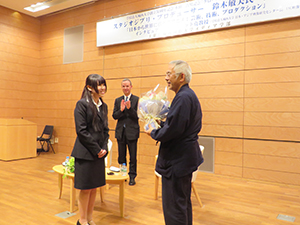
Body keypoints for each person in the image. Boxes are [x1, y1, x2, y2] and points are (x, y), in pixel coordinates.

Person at [145, 60, 203, 225]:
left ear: (181, 77)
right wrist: (162, 123)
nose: (166, 78)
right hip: (183, 160)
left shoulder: (183, 97)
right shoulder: (186, 95)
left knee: (174, 208)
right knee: (182, 203)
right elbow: (177, 126)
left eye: (169, 74)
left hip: (177, 161)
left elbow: (174, 130)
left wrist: (154, 132)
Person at [71, 74, 109, 225]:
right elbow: (81, 131)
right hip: (86, 153)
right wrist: (97, 149)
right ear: (89, 87)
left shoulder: (103, 106)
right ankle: (82, 220)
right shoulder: (82, 104)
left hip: (99, 154)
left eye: (103, 84)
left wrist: (104, 148)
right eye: (99, 85)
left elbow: (106, 130)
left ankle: (90, 219)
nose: (102, 88)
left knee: (94, 188)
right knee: (86, 189)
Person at [112, 78, 140, 185]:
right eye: (123, 86)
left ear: (131, 87)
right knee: (121, 156)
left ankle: (132, 176)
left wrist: (129, 108)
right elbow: (115, 116)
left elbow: (137, 116)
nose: (125, 88)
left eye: (127, 86)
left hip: (132, 132)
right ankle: (122, 175)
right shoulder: (118, 100)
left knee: (132, 156)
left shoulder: (137, 99)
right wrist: (122, 110)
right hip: (120, 133)